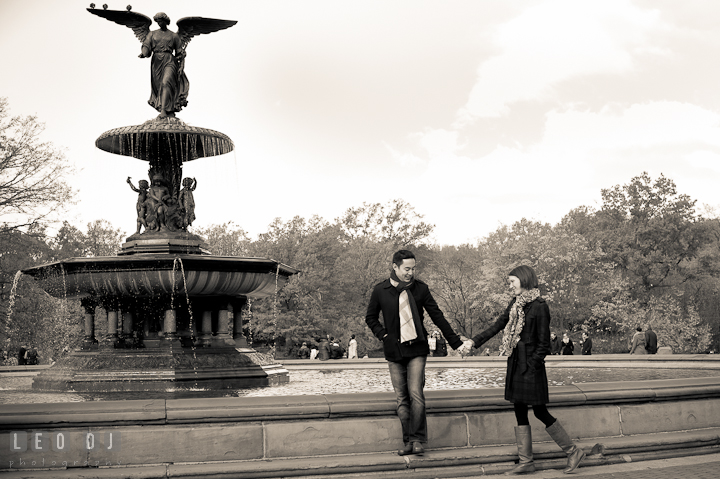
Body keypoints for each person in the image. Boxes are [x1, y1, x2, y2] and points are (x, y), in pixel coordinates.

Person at [458, 265, 585, 475]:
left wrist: (532, 366)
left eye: (512, 282)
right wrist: (473, 342)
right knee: (518, 408)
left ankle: (573, 452)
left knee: (539, 410)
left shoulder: (540, 306)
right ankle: (526, 461)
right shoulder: (516, 303)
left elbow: (544, 344)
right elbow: (498, 325)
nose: (510, 286)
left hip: (531, 366)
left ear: (524, 280)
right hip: (516, 361)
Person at [365, 249, 465, 456]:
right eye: (407, 268)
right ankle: (408, 441)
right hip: (394, 350)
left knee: (416, 394)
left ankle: (418, 439)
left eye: (413, 268)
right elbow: (371, 318)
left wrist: (456, 343)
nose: (410, 273)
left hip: (417, 349)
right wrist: (384, 336)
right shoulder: (380, 290)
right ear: (395, 267)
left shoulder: (420, 289)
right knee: (402, 398)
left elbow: (438, 317)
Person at [140, 12, 189, 118]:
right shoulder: (152, 34)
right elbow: (147, 45)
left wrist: (182, 56)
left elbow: (179, 51)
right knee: (158, 86)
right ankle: (169, 110)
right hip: (156, 62)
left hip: (169, 60)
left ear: (165, 21)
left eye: (160, 21)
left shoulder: (174, 35)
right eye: (157, 21)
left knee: (166, 82)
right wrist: (144, 52)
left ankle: (163, 111)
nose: (159, 23)